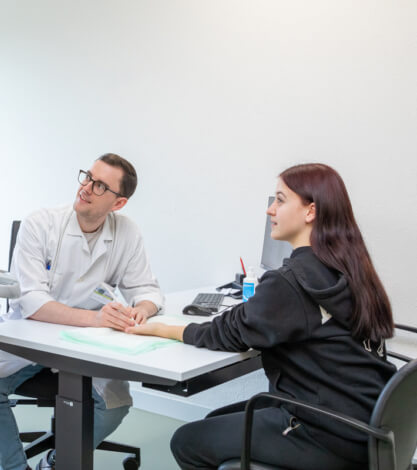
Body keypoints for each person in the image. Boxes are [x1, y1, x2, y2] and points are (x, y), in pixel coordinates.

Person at [127, 163, 396, 470]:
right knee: (216, 421)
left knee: (187, 442)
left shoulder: (292, 281)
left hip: (324, 430)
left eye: (280, 200)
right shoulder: (350, 268)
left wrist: (164, 328)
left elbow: (226, 334)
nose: (271, 210)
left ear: (310, 211)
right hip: (364, 422)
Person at [0, 153, 164, 470]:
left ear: (118, 204)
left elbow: (146, 288)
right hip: (31, 335)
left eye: (100, 185)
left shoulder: (126, 232)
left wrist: (141, 309)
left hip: (87, 343)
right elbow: (32, 303)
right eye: (88, 177)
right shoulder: (41, 224)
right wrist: (97, 319)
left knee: (116, 405)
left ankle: (58, 460)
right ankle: (15, 465)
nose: (86, 187)